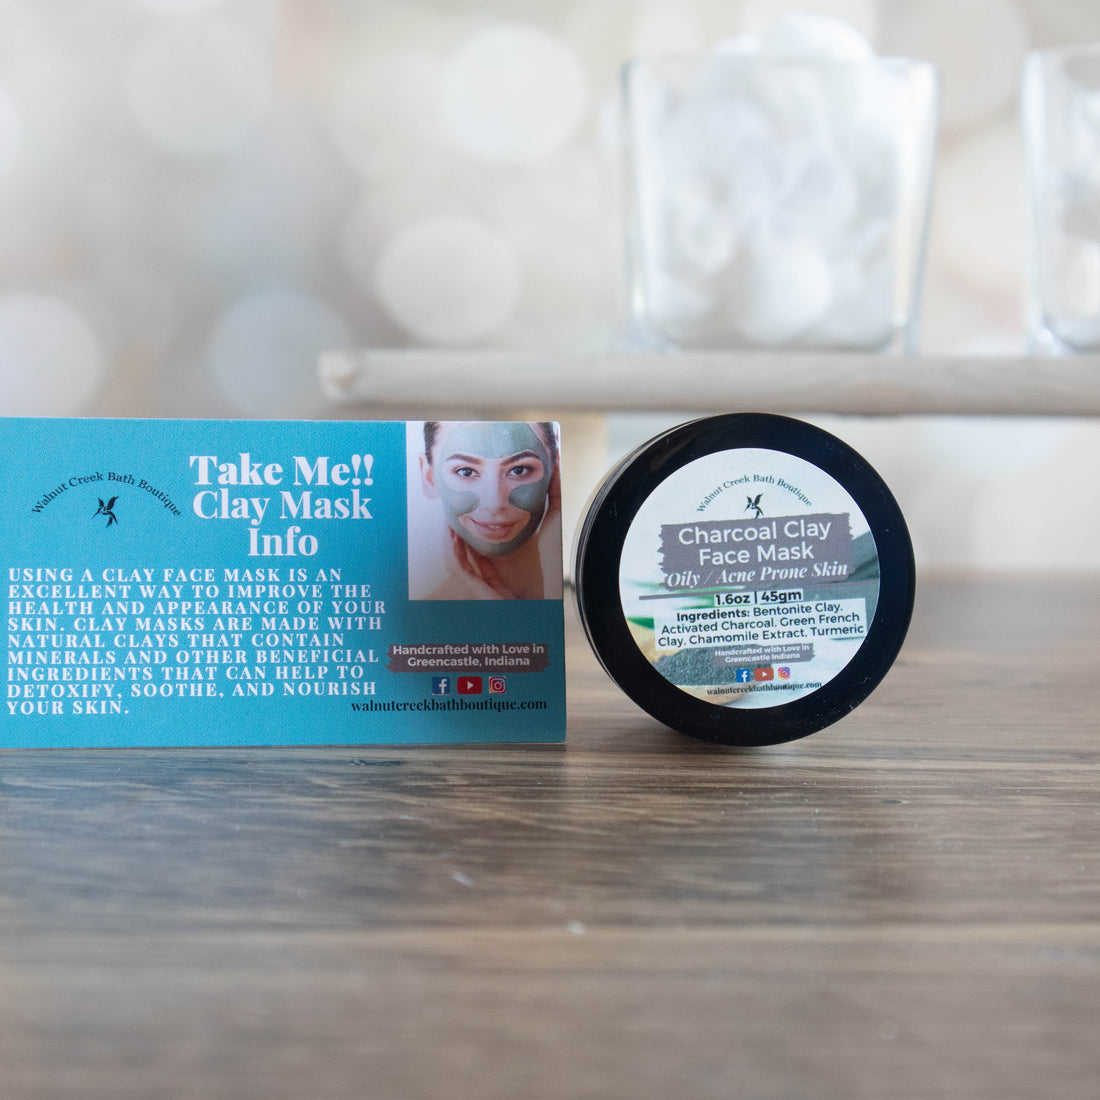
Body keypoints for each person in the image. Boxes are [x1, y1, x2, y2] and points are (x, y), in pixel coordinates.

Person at [415, 421, 561, 600]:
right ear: (428, 477)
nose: (494, 503)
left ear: (555, 470)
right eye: (466, 472)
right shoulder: (408, 621)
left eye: (518, 470)